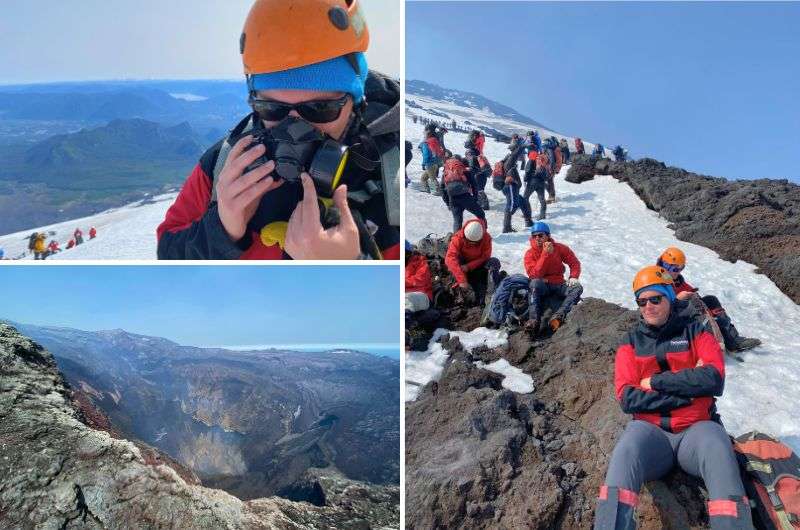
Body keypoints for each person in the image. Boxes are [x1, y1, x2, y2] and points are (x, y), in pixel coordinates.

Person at [157, 0, 400, 260]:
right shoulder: (225, 166)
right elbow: (168, 254)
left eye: (319, 108)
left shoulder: (392, 182)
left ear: (357, 104)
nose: (293, 130)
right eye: (272, 108)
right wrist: (220, 229)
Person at [594, 265, 753, 530]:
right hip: (651, 435)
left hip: (697, 433)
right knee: (626, 450)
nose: (648, 306)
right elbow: (628, 398)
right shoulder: (630, 342)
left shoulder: (697, 332)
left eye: (655, 298)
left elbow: (713, 380)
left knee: (718, 448)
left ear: (669, 296)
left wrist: (655, 382)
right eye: (641, 301)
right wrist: (690, 393)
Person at [657, 247, 761, 352]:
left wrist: (693, 294)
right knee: (697, 308)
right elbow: (656, 305)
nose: (678, 272)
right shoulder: (656, 279)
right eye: (676, 269)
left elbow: (684, 289)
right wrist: (678, 300)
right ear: (665, 265)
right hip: (668, 318)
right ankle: (712, 343)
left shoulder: (675, 279)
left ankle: (732, 339)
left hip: (680, 310)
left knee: (710, 301)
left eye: (681, 268)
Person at [523, 222, 582, 333]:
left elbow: (574, 262)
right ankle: (533, 320)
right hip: (542, 285)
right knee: (534, 283)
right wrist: (545, 254)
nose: (537, 238)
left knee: (577, 288)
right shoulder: (530, 254)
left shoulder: (559, 248)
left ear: (548, 236)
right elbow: (534, 274)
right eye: (534, 236)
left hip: (559, 284)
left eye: (540, 235)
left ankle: (559, 315)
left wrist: (574, 276)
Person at [444, 219, 499, 305]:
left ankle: (492, 293)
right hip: (462, 268)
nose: (472, 244)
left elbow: (485, 257)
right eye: (469, 241)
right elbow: (450, 258)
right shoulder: (458, 238)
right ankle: (460, 285)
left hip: (479, 266)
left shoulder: (486, 238)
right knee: (456, 260)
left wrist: (469, 266)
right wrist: (462, 280)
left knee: (494, 262)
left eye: (475, 242)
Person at [441, 154, 485, 233]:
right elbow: (474, 185)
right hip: (465, 197)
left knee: (457, 221)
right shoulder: (464, 170)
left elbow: (443, 189)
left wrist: (448, 203)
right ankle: (483, 233)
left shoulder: (445, 173)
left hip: (453, 199)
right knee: (480, 214)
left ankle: (456, 240)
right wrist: (475, 198)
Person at [501, 150, 532, 233]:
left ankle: (528, 222)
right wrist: (520, 147)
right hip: (510, 186)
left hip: (514, 187)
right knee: (512, 206)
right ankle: (506, 228)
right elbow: (514, 154)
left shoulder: (512, 166)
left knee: (523, 202)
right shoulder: (509, 163)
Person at [405, 240, 433, 312]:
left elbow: (420, 280)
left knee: (405, 299)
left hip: (423, 295)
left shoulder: (420, 262)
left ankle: (407, 319)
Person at [523, 147, 549, 221]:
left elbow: (527, 170)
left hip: (532, 181)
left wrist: (525, 179)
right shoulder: (541, 159)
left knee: (525, 197)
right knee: (542, 199)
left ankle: (527, 214)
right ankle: (542, 215)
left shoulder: (532, 158)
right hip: (541, 182)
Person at [419, 129, 444, 195]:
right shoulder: (435, 141)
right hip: (435, 163)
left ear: (427, 135)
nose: (424, 136)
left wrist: (423, 164)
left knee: (432, 178)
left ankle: (438, 190)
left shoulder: (426, 143)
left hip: (429, 163)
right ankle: (426, 189)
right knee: (423, 178)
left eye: (425, 134)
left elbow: (426, 154)